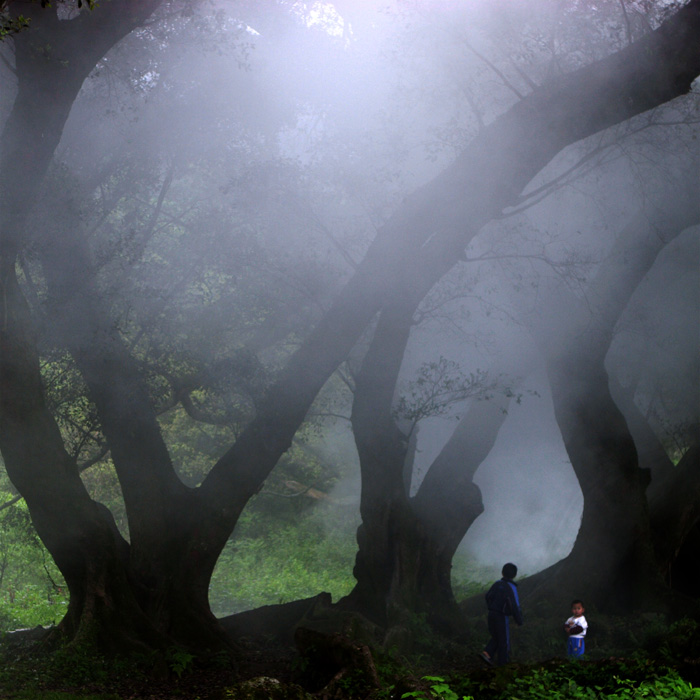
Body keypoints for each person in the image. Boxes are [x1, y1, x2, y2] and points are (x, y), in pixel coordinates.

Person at [479, 562, 523, 666]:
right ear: (514, 575)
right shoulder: (511, 587)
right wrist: (519, 620)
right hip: (502, 616)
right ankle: (503, 664)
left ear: (502, 573)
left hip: (491, 614)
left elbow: (488, 596)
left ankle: (487, 653)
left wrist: (492, 607)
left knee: (497, 636)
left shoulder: (497, 584)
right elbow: (515, 605)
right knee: (503, 640)